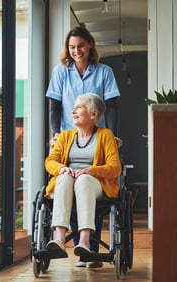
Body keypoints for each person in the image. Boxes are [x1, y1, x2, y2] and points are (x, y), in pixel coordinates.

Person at [45, 26, 122, 267]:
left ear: (90, 45)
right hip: (70, 136)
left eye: (80, 45)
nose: (76, 51)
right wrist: (55, 134)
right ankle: (72, 242)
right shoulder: (61, 72)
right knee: (67, 180)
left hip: (95, 136)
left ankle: (88, 246)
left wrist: (111, 135)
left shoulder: (104, 72)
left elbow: (111, 105)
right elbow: (54, 105)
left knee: (87, 182)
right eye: (71, 47)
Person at [44, 93, 122, 262]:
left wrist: (91, 171)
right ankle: (59, 239)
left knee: (84, 180)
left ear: (94, 114)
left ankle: (85, 242)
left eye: (78, 107)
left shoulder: (106, 135)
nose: (73, 111)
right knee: (63, 177)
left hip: (95, 184)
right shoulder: (65, 136)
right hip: (67, 184)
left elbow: (115, 168)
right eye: (73, 108)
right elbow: (50, 162)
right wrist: (62, 168)